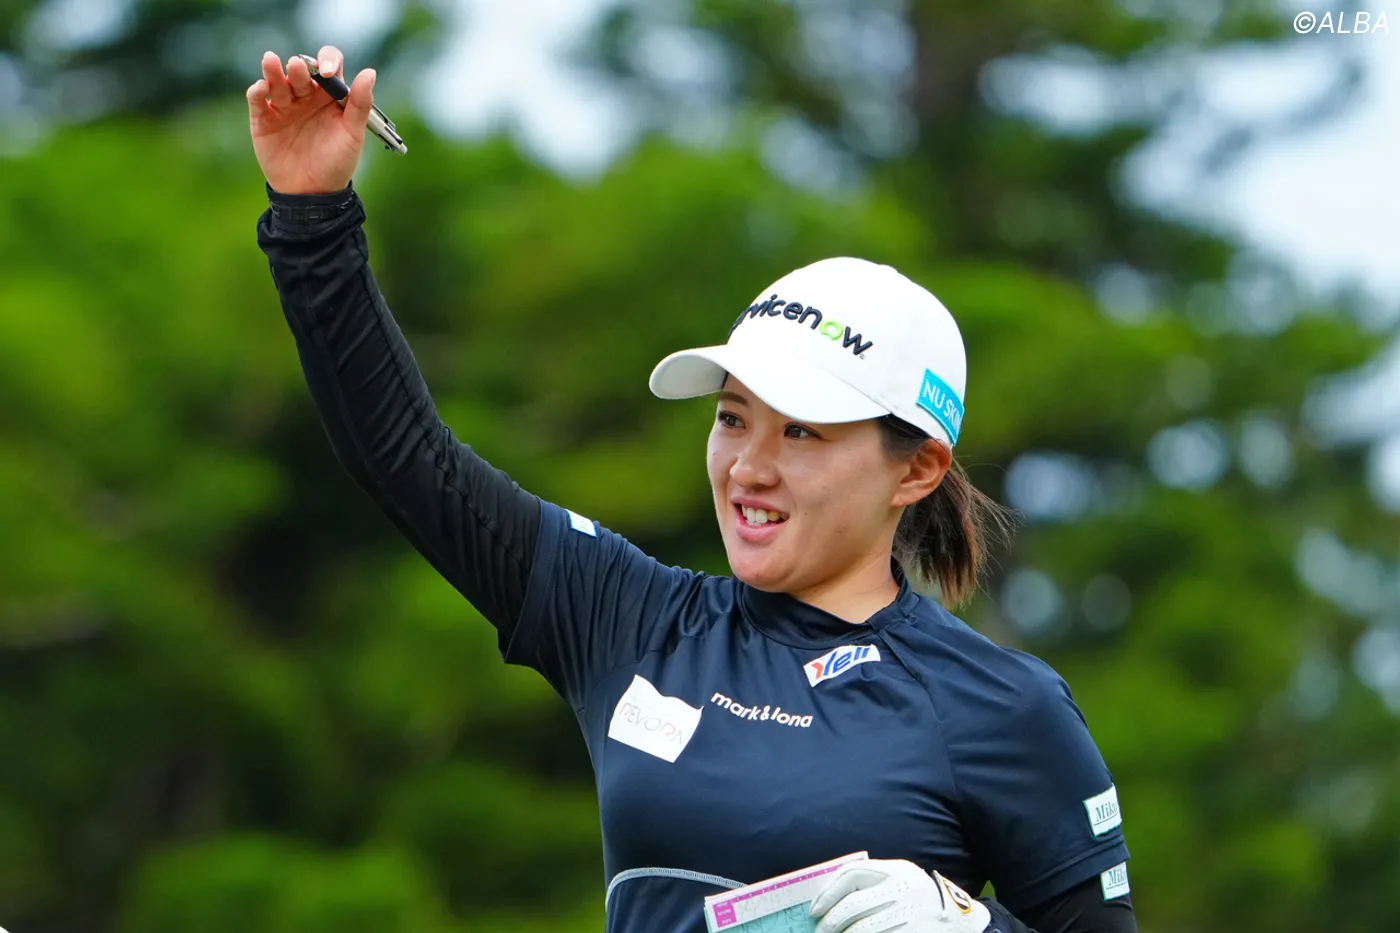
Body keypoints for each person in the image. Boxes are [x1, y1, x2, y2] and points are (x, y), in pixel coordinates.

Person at [247, 46, 1137, 933]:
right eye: (733, 418)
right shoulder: (632, 621)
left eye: (802, 431)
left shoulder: (1004, 707)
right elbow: (408, 458)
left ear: (917, 469)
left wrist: (974, 927)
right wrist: (312, 214)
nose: (750, 465)